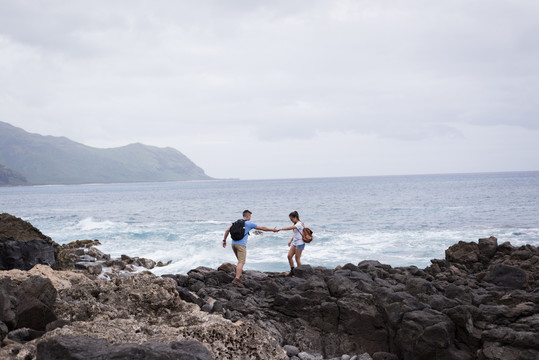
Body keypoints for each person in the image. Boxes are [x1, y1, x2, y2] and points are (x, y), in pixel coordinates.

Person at [223, 210, 279, 287]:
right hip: (241, 245)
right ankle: (236, 279)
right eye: (250, 216)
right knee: (241, 262)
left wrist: (224, 240)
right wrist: (272, 230)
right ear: (248, 216)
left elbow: (227, 230)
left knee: (239, 261)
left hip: (233, 244)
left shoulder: (236, 222)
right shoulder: (249, 223)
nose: (250, 217)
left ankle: (240, 275)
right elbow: (262, 228)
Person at [278, 211, 305, 276]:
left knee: (297, 259)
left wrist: (281, 229)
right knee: (289, 256)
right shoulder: (296, 224)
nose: (291, 220)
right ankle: (292, 271)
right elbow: (295, 234)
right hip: (295, 243)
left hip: (300, 243)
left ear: (295, 217)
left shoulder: (299, 224)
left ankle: (300, 273)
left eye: (291, 219)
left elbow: (290, 228)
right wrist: (290, 241)